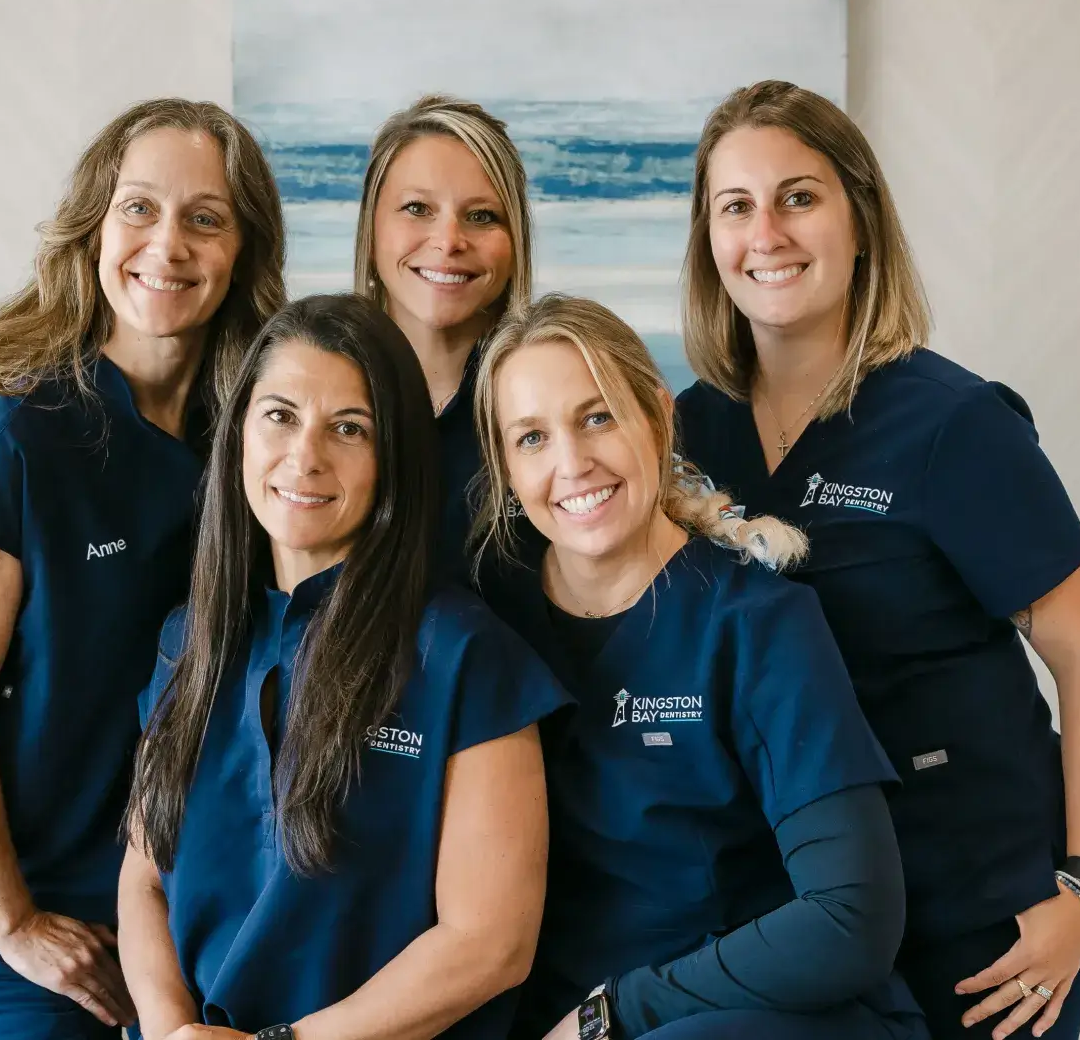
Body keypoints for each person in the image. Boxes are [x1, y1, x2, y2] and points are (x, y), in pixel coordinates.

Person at [672, 80, 1080, 1040]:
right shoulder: (687, 433)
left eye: (799, 197)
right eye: (736, 207)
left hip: (978, 916)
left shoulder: (953, 426)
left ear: (860, 218)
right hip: (796, 912)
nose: (767, 232)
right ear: (709, 241)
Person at [0, 98, 286, 1038]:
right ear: (94, 228)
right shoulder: (14, 447)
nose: (169, 244)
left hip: (187, 902)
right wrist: (16, 925)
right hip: (31, 904)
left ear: (243, 252)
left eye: (206, 218)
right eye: (139, 209)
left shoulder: (255, 441)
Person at [471, 296, 928, 1040]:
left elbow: (853, 918)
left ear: (657, 416)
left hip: (756, 1018)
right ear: (504, 466)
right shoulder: (486, 619)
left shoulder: (757, 622)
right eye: (531, 437)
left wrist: (614, 1012)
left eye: (597, 418)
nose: (571, 463)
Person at [117, 295, 571, 1040]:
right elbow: (142, 882)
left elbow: (491, 945)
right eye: (280, 415)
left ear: (392, 458)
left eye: (349, 429)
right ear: (238, 434)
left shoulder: (462, 654)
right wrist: (173, 1032)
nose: (306, 456)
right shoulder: (187, 642)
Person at [353, 94, 534, 567]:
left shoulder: (556, 394)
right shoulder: (310, 390)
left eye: (481, 216)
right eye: (416, 208)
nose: (449, 241)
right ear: (371, 234)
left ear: (515, 245)